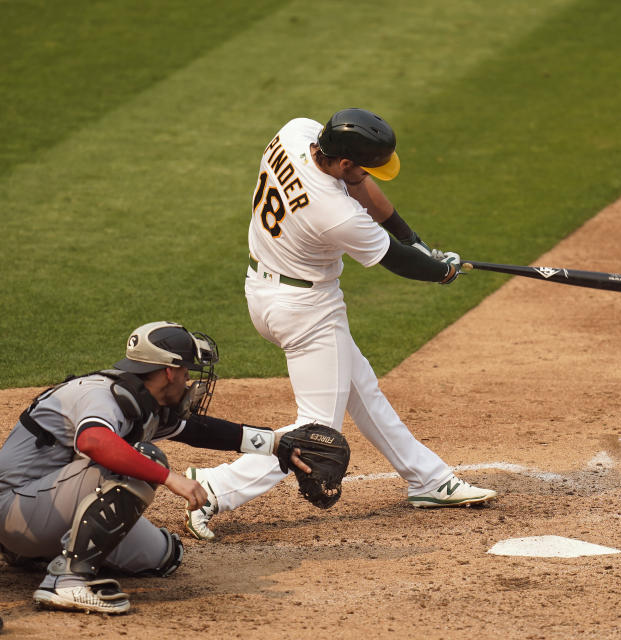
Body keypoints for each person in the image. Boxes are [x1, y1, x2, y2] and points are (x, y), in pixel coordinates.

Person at [184, 108, 496, 541]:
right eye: (363, 165)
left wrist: (414, 239)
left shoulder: (297, 133)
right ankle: (216, 487)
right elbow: (398, 262)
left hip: (265, 286)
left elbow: (364, 188)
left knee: (361, 388)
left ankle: (427, 478)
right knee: (317, 434)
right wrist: (439, 270)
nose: (368, 173)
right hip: (306, 310)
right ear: (345, 161)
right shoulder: (334, 213)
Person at [0, 321, 309, 614]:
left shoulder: (144, 404)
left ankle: (33, 554)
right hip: (13, 509)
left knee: (165, 556)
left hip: (43, 511)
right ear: (169, 371)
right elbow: (93, 441)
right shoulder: (100, 395)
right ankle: (66, 581)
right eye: (187, 370)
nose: (189, 379)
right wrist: (169, 478)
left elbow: (199, 430)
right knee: (146, 460)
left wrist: (275, 443)